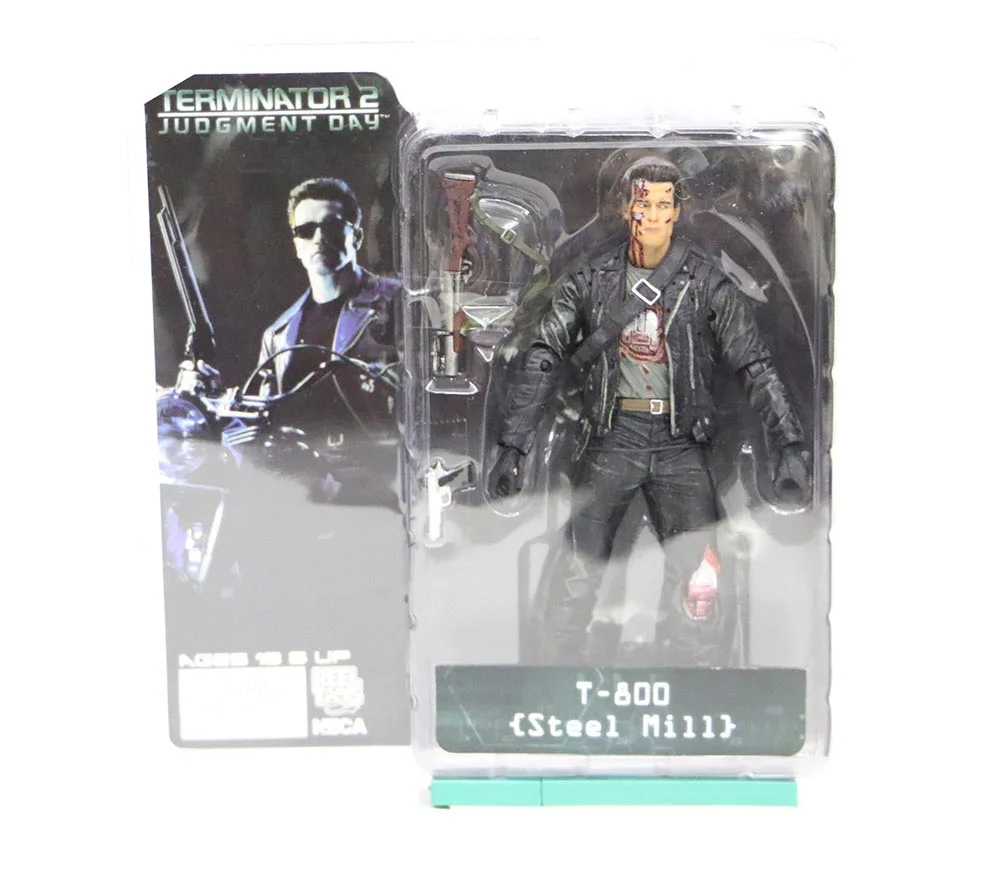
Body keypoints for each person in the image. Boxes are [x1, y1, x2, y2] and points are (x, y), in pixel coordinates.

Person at [487, 158, 809, 665]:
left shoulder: (704, 282)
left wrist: (788, 444)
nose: (653, 215)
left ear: (677, 211)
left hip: (680, 443)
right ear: (627, 209)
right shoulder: (590, 280)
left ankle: (698, 677)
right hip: (612, 438)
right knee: (576, 572)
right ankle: (555, 675)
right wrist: (513, 446)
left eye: (663, 205)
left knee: (700, 577)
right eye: (644, 204)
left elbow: (754, 364)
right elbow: (544, 357)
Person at [256, 177, 399, 398]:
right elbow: (263, 410)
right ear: (297, 245)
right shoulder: (276, 335)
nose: (319, 238)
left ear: (357, 237)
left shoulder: (400, 302)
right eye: (306, 230)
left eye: (332, 226)